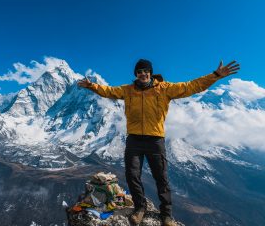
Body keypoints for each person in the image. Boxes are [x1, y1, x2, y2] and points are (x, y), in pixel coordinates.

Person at [77, 59, 240, 226]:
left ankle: (166, 215)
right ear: (136, 74)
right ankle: (140, 208)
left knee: (161, 178)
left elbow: (192, 86)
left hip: (155, 140)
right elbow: (109, 91)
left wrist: (216, 75)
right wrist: (92, 86)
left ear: (151, 72)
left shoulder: (164, 89)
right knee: (132, 176)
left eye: (145, 71)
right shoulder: (128, 90)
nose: (142, 74)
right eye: (139, 71)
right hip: (134, 140)